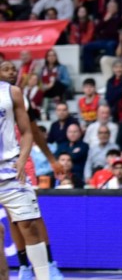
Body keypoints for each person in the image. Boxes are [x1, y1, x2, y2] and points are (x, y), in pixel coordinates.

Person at [0, 63, 52, 280]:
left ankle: (43, 276)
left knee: (29, 225)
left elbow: (27, 132)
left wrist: (22, 159)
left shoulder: (12, 92)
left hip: (11, 168)